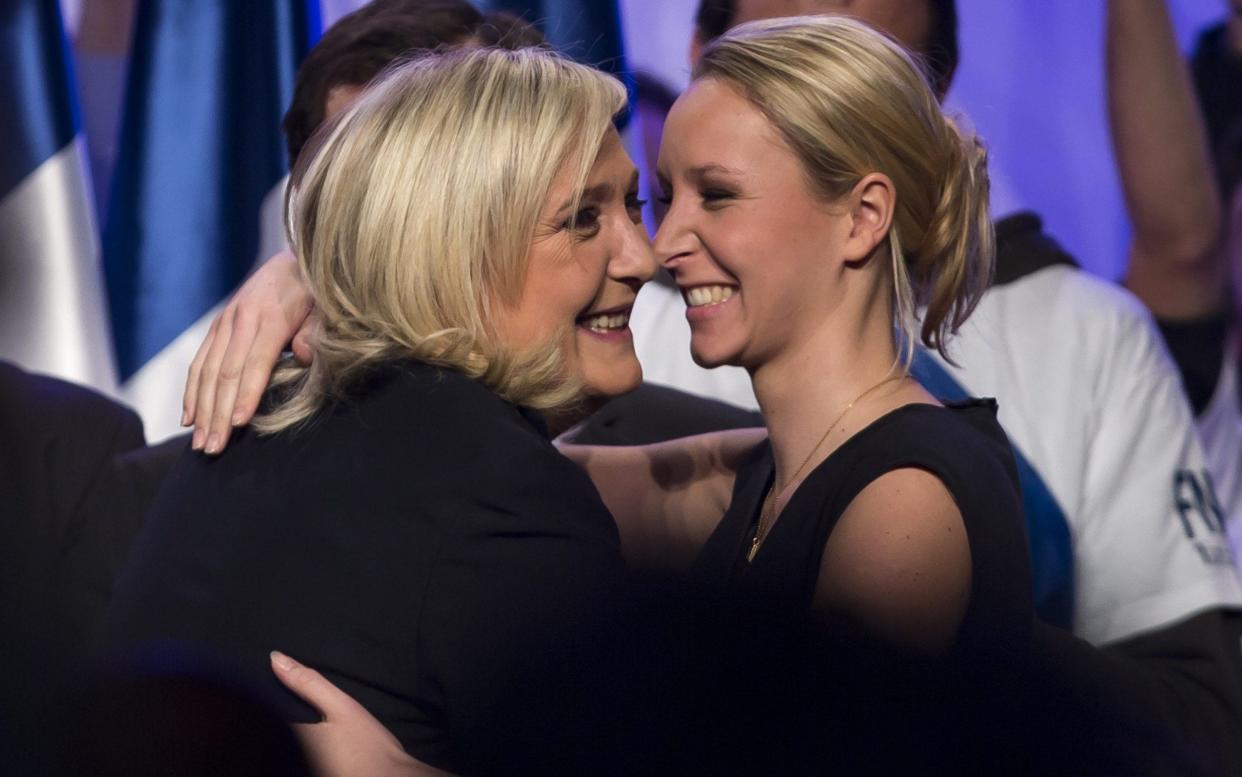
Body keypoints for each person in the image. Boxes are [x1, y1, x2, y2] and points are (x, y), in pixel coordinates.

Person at [107, 46, 656, 775]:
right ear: (454, 248)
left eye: (633, 205)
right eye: (583, 219)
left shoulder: (271, 417)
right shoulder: (503, 491)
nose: (641, 257)